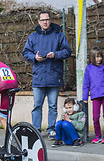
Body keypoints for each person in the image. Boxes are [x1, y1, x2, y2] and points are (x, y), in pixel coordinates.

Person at [22, 10, 72, 140]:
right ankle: (36, 130)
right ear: (38, 22)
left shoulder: (58, 35)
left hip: (54, 76)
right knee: (37, 106)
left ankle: (51, 130)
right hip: (38, 77)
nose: (45, 22)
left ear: (50, 20)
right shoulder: (33, 37)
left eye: (47, 19)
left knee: (53, 106)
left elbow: (67, 51)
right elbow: (25, 52)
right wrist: (34, 57)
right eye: (42, 20)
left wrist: (55, 54)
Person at [83, 46, 104, 144]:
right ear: (92, 57)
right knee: (95, 116)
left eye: (100, 56)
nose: (99, 59)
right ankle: (98, 135)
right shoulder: (88, 68)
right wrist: (85, 97)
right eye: (97, 57)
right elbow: (86, 83)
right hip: (95, 96)